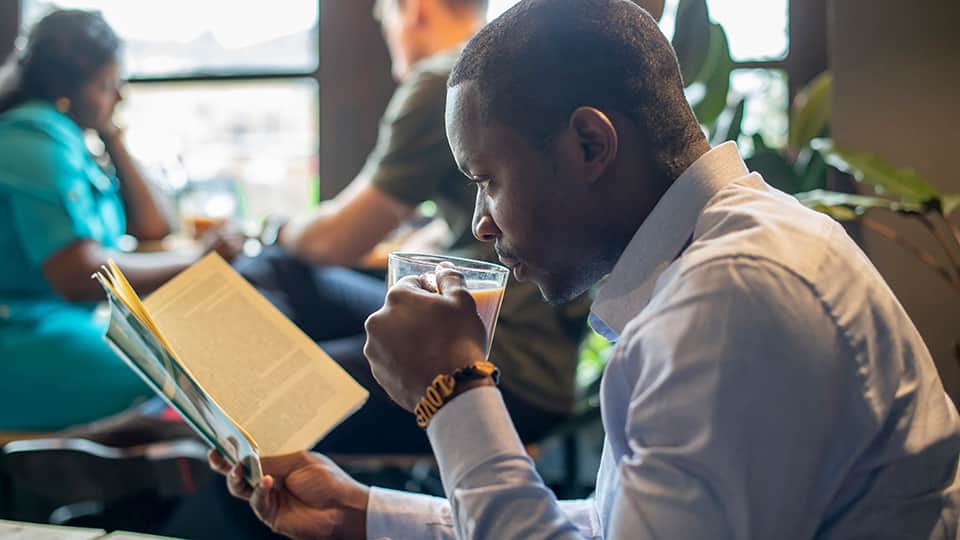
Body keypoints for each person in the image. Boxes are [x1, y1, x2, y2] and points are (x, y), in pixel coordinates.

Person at [211, 0, 960, 538]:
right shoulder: (726, 253)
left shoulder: (733, 296)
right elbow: (616, 523)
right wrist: (364, 514)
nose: (480, 223)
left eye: (488, 179)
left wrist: (453, 394)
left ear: (591, 146)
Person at [233, 0, 589, 455]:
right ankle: (261, 390)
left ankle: (250, 399)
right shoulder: (516, 71)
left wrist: (276, 230)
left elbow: (336, 240)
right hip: (549, 366)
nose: (390, 43)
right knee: (282, 279)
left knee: (272, 282)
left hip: (499, 358)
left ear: (417, 10)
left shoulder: (449, 79)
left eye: (387, 23)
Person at [0, 10, 242, 431]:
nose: (120, 95)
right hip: (22, 336)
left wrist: (112, 134)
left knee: (205, 356)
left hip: (62, 322)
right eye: (107, 84)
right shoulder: (33, 138)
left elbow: (152, 228)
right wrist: (199, 264)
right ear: (68, 87)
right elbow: (77, 274)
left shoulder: (70, 139)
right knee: (196, 372)